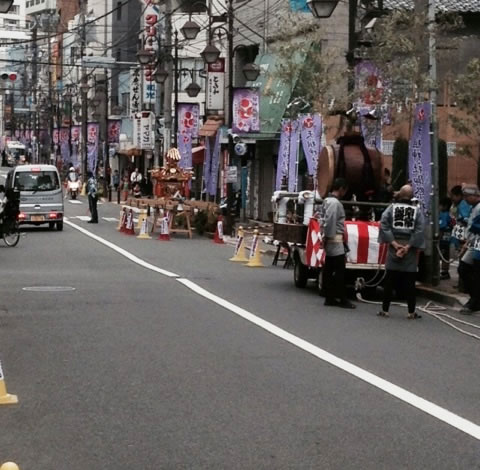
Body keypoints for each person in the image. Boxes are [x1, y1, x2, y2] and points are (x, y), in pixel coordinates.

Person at [378, 184, 425, 319]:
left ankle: (385, 310)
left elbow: (384, 224)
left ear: (400, 194)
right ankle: (411, 312)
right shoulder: (417, 211)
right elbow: (420, 230)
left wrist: (394, 243)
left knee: (389, 279)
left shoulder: (392, 208)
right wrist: (408, 246)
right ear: (411, 196)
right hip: (409, 248)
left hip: (394, 245)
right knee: (410, 281)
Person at [322, 178, 356, 309]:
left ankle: (329, 296)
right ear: (341, 189)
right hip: (335, 240)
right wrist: (328, 236)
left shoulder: (327, 201)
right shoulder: (334, 203)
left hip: (331, 239)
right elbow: (330, 221)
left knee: (329, 269)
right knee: (339, 270)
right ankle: (341, 298)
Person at [458, 185, 480, 314]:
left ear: (475, 196)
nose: (465, 199)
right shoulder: (474, 208)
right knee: (464, 268)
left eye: (467, 196)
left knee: (474, 271)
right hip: (473, 243)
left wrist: (467, 243)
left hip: (476, 243)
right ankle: (475, 298)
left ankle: (475, 300)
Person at [439, 197, 453, 280]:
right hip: (447, 238)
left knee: (444, 255)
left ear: (445, 206)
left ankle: (444, 272)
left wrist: (438, 238)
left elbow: (442, 227)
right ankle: (444, 271)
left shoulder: (444, 214)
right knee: (445, 255)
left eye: (440, 205)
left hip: (443, 239)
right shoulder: (448, 214)